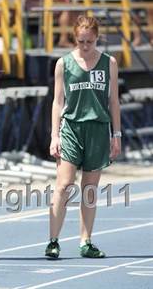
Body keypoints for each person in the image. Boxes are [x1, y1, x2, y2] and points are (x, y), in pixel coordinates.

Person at [46, 15, 121, 259]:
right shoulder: (64, 63)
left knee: (89, 188)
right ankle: (53, 240)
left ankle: (85, 241)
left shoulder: (109, 62)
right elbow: (58, 102)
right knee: (64, 184)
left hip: (98, 128)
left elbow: (113, 101)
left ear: (97, 38)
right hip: (72, 128)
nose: (85, 46)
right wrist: (54, 135)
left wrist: (116, 134)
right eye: (80, 41)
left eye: (89, 41)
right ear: (75, 38)